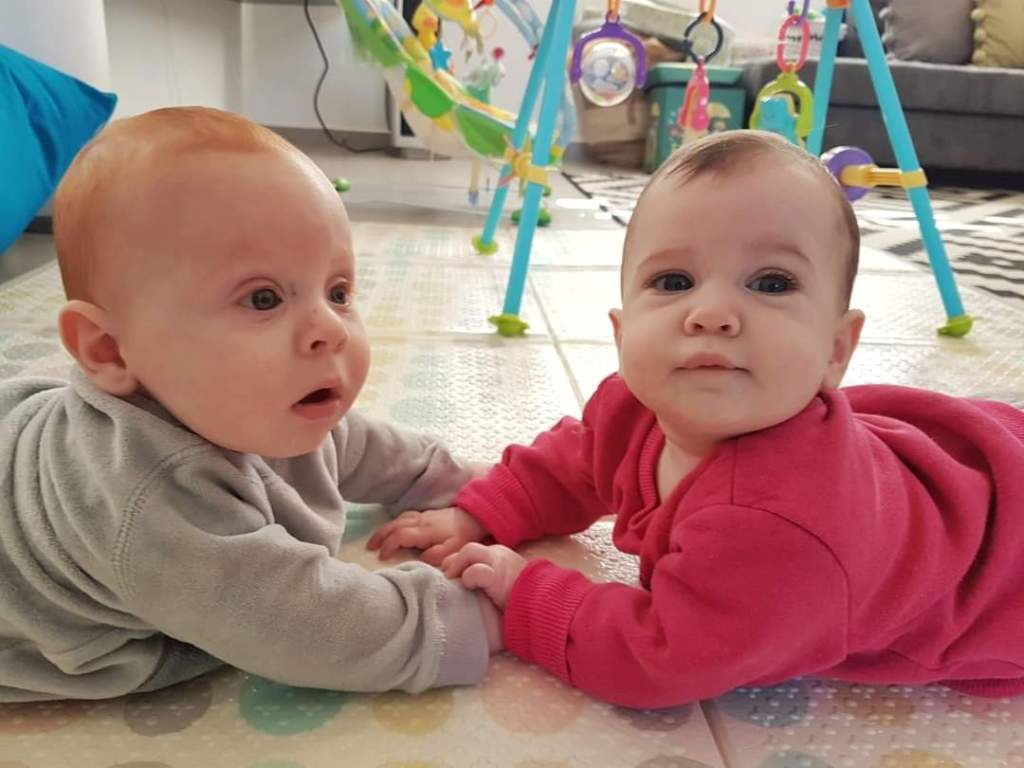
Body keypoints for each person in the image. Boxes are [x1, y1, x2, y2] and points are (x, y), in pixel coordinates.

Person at [369, 130, 1024, 709]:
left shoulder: (784, 525)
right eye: (674, 282)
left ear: (835, 350)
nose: (710, 312)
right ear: (622, 333)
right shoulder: (637, 403)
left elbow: (665, 657)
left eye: (770, 283)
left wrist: (527, 591)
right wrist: (482, 511)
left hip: (1002, 573)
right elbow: (575, 461)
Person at [0, 106, 501, 703]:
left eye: (338, 292)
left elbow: (349, 442)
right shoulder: (152, 507)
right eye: (263, 298)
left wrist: (456, 478)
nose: (329, 328)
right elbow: (306, 625)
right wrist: (470, 615)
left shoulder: (246, 394)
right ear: (110, 349)